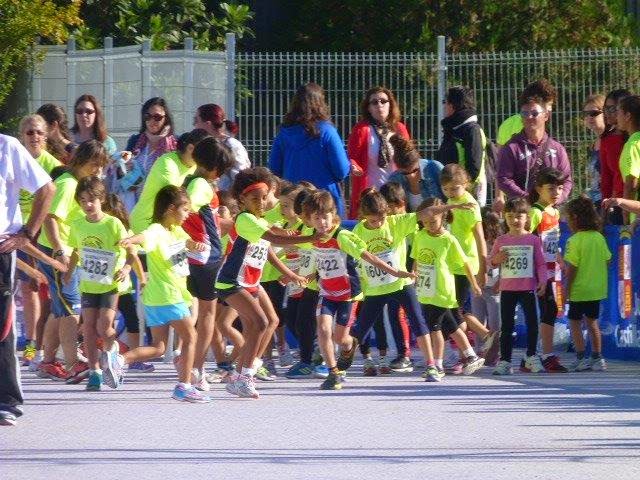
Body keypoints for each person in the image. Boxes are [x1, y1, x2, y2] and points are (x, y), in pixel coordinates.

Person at [215, 168, 316, 399]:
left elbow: (270, 248)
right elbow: (274, 238)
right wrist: (311, 237)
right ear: (242, 200)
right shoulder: (245, 219)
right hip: (232, 282)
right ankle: (245, 376)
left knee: (270, 321)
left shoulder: (259, 221)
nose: (261, 202)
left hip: (251, 282)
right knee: (259, 323)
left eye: (263, 197)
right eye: (254, 199)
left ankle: (241, 373)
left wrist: (291, 274)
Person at [301, 190, 418, 390]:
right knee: (323, 329)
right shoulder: (311, 236)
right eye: (317, 218)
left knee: (341, 339)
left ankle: (350, 345)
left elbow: (368, 257)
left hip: (348, 294)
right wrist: (297, 274)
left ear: (333, 214)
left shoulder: (342, 236)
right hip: (327, 293)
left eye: (325, 217)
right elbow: (313, 257)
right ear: (309, 220)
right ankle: (333, 373)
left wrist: (395, 271)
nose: (322, 222)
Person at [105, 186, 211, 402]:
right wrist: (130, 240)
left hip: (156, 298)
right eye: (185, 210)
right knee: (191, 337)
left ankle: (119, 360)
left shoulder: (176, 231)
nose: (188, 214)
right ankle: (184, 386)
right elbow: (144, 236)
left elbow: (185, 241)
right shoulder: (157, 230)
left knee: (159, 348)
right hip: (167, 295)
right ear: (171, 209)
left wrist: (195, 245)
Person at [36, 141, 109, 384]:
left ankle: (48, 361)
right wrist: (60, 251)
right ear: (81, 160)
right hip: (59, 252)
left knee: (60, 308)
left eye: (101, 166)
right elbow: (50, 218)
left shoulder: (79, 183)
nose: (98, 170)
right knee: (71, 308)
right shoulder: (68, 184)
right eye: (94, 164)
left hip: (69, 251)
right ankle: (72, 364)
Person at [0, 133, 55, 426]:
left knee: (3, 327)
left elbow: (47, 189)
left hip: (2, 248)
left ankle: (6, 400)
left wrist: (27, 234)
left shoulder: (7, 147)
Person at [64, 176, 136, 391]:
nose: (87, 204)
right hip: (88, 284)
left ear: (101, 200)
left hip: (110, 284)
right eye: (83, 200)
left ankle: (112, 354)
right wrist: (69, 272)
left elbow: (131, 252)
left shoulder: (113, 223)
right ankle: (94, 371)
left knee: (104, 326)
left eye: (92, 200)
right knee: (88, 328)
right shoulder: (77, 225)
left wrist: (126, 268)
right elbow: (76, 251)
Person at [181, 137, 234, 391]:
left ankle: (190, 363)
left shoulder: (189, 180)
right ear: (214, 168)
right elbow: (188, 208)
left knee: (194, 315)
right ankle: (197, 369)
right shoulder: (201, 185)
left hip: (192, 255)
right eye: (220, 171)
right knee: (207, 317)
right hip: (206, 257)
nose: (220, 176)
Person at [411, 197, 485, 380]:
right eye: (425, 222)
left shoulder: (448, 239)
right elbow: (417, 258)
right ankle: (471, 355)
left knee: (435, 328)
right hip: (426, 292)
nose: (429, 225)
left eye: (433, 222)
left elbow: (465, 263)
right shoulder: (420, 235)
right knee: (451, 325)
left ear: (443, 217)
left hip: (442, 292)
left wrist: (474, 284)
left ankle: (437, 365)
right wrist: (413, 274)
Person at [440, 164, 497, 371]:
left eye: (455, 188)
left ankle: (483, 337)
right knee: (456, 310)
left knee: (455, 310)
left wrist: (482, 268)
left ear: (466, 184)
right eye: (446, 189)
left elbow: (480, 238)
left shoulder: (470, 205)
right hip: (451, 264)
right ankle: (467, 351)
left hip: (465, 265)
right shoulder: (451, 202)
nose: (450, 193)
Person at [268, 83, 351, 218]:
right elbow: (341, 170)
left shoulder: (284, 133)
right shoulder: (327, 131)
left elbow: (274, 168)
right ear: (321, 103)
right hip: (324, 201)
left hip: (294, 200)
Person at [17, 115, 61, 367]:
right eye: (30, 133)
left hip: (40, 233)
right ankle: (31, 343)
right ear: (22, 136)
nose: (34, 137)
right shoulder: (15, 160)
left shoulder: (52, 165)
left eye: (39, 133)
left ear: (46, 136)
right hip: (16, 232)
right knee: (27, 288)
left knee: (44, 289)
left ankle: (45, 344)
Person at [489, 197, 547, 375]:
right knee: (507, 326)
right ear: (505, 218)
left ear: (526, 218)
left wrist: (543, 281)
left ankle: (531, 356)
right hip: (508, 289)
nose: (514, 220)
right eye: (510, 216)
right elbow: (491, 261)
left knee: (533, 323)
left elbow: (540, 263)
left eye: (519, 216)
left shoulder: (533, 240)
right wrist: (497, 259)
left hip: (528, 288)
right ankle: (505, 360)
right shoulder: (501, 240)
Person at [497, 86, 572, 203]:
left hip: (551, 211)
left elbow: (566, 180)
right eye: (524, 113)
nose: (529, 117)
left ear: (546, 116)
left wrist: (555, 200)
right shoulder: (511, 148)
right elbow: (503, 179)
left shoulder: (557, 149)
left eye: (534, 113)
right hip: (523, 210)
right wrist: (527, 199)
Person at [494, 79, 558, 213]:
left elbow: (500, 164)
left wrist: (499, 196)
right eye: (549, 104)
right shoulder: (534, 123)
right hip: (530, 197)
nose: (551, 109)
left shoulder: (506, 124)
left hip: (517, 197)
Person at [129, 129, 209, 234]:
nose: (207, 159)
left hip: (167, 227)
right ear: (190, 148)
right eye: (205, 153)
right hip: (145, 224)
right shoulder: (167, 164)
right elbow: (176, 204)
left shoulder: (193, 166)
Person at [347, 86, 411, 218]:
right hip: (370, 194)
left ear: (390, 105)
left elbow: (408, 158)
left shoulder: (400, 129)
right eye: (374, 102)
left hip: (395, 193)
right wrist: (353, 165)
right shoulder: (361, 129)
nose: (379, 105)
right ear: (369, 108)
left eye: (383, 101)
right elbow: (352, 157)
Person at [564, 196, 611, 372]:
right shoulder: (599, 237)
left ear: (575, 218)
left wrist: (567, 288)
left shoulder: (574, 240)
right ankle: (597, 357)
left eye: (568, 218)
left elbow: (572, 268)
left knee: (574, 322)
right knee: (592, 322)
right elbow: (608, 260)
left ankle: (581, 357)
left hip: (579, 289)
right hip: (596, 289)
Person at [528, 168, 568, 372]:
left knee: (549, 311)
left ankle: (533, 356)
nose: (556, 192)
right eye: (551, 188)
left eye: (559, 188)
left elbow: (552, 240)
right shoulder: (536, 212)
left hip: (551, 270)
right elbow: (525, 239)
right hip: (538, 272)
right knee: (548, 310)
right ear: (539, 189)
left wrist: (559, 258)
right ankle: (545, 355)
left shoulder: (555, 212)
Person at [117, 97, 177, 211]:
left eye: (157, 117)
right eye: (147, 116)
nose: (152, 121)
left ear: (166, 118)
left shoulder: (174, 144)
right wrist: (123, 167)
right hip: (132, 204)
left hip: (159, 206)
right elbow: (122, 164)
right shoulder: (135, 141)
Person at [437, 86, 488, 206]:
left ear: (452, 105)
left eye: (445, 102)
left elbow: (474, 166)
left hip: (468, 194)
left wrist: (461, 189)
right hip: (454, 192)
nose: (444, 106)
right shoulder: (454, 129)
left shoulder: (472, 129)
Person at [470, 208, 503, 366]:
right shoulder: (474, 241)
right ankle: (480, 351)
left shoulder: (498, 241)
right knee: (478, 320)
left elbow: (505, 264)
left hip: (494, 287)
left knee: (496, 323)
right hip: (477, 286)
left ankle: (495, 352)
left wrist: (501, 281)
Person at [193, 103, 250, 192]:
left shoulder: (232, 145)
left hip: (227, 197)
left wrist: (228, 196)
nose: (194, 124)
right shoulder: (203, 144)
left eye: (196, 120)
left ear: (208, 124)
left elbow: (240, 176)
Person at [387, 135, 445, 211]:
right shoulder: (394, 180)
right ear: (398, 169)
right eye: (405, 173)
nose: (411, 175)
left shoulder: (434, 168)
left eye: (415, 170)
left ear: (419, 159)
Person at [600, 89, 632, 224]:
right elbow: (606, 177)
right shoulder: (607, 140)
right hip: (618, 204)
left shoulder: (635, 139)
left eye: (612, 109)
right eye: (605, 109)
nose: (607, 113)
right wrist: (605, 210)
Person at [617, 95, 640, 224]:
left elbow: (632, 182)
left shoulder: (633, 145)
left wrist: (626, 213)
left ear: (628, 116)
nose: (617, 117)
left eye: (619, 112)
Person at [582, 95, 606, 205]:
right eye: (586, 114)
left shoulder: (613, 142)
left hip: (609, 202)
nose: (589, 117)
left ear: (605, 113)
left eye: (594, 113)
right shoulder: (593, 145)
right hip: (596, 202)